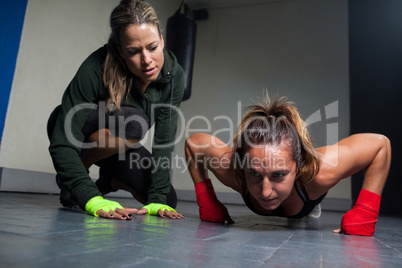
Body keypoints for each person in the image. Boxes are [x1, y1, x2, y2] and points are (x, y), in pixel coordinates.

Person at [47, 0, 185, 220]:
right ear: (120, 50)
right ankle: (77, 172)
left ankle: (109, 181)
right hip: (82, 132)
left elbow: (164, 140)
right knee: (134, 123)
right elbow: (62, 138)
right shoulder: (96, 65)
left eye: (152, 47)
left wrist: (157, 197)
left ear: (162, 39)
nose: (147, 61)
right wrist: (90, 198)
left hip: (120, 144)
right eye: (134, 51)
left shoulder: (175, 77)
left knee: (167, 200)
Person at [185, 94, 391, 236]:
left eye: (278, 175)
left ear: (299, 166)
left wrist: (366, 210)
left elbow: (380, 145)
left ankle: (309, 203)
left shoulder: (319, 172)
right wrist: (208, 201)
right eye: (255, 174)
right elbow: (193, 144)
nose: (265, 192)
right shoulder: (234, 170)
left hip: (307, 194)